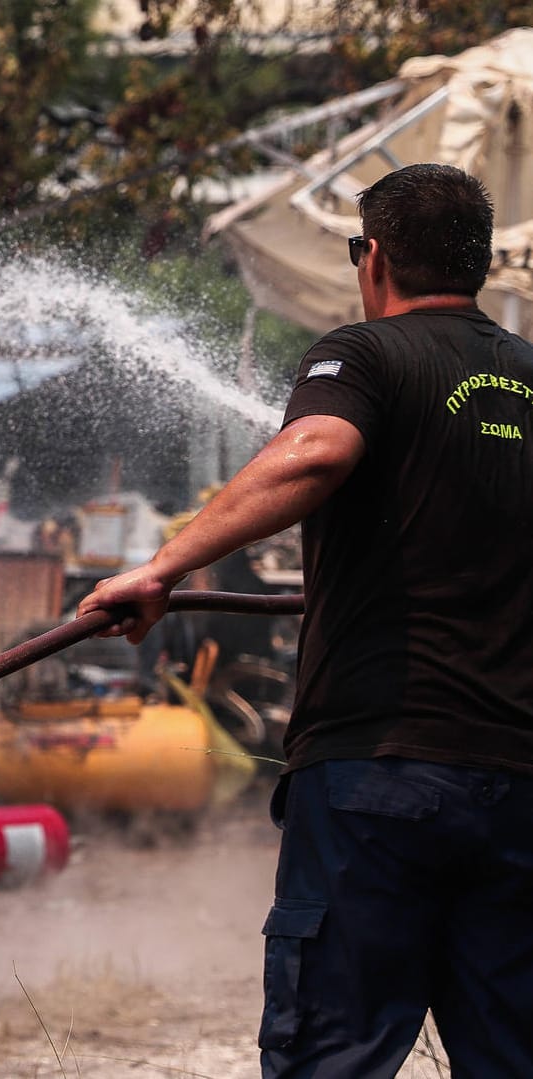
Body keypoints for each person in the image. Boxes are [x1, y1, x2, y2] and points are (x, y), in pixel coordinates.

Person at [78, 162, 533, 1076]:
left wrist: (163, 566)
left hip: (378, 775)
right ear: (479, 262)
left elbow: (317, 448)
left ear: (372, 260)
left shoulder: (365, 355)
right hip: (518, 786)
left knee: (334, 1055)